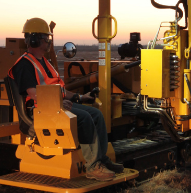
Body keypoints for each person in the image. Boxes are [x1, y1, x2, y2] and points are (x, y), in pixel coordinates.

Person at [9, 18, 123, 181]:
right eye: (46, 38)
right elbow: (33, 93)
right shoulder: (24, 64)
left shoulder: (44, 62)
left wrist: (80, 97)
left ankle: (100, 159)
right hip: (41, 111)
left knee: (96, 114)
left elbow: (59, 89)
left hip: (54, 107)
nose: (49, 42)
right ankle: (92, 167)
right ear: (34, 40)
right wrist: (58, 104)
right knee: (84, 118)